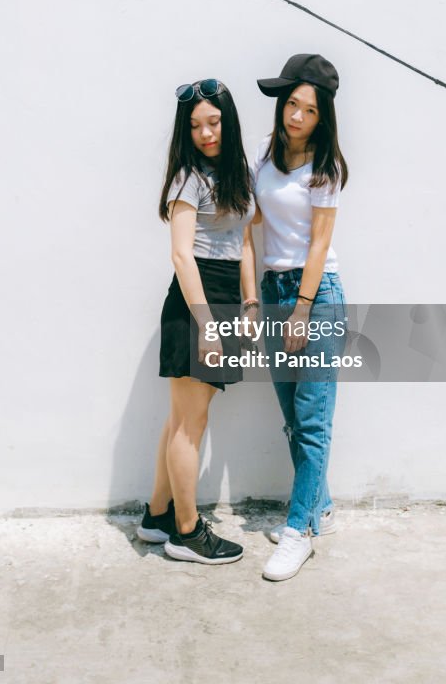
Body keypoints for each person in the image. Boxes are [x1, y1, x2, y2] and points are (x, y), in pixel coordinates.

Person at [138, 78, 257, 565]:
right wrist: (207, 324)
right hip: (197, 300)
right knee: (192, 422)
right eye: (195, 126)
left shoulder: (239, 174)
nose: (206, 133)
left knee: (182, 418)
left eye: (213, 122)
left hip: (228, 296)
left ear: (228, 121)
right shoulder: (188, 177)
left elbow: (245, 242)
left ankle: (158, 516)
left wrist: (250, 304)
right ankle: (186, 533)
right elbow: (182, 257)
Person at [252, 54, 348, 581]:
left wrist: (303, 311)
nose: (295, 116)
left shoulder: (326, 167)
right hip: (272, 291)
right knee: (293, 419)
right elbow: (256, 223)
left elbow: (319, 244)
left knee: (313, 422)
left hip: (317, 297)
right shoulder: (267, 157)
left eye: (307, 110)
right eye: (291, 104)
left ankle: (298, 532)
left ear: (322, 116)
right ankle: (322, 508)